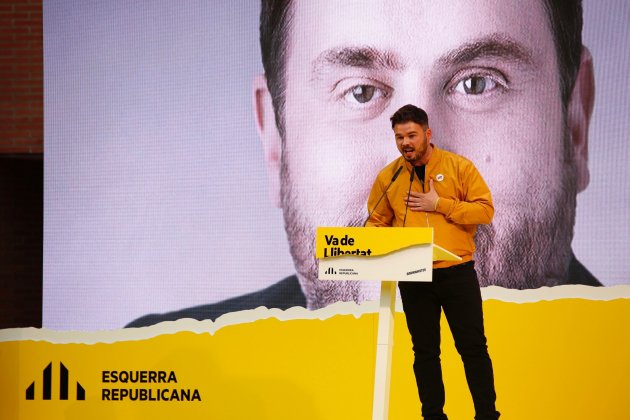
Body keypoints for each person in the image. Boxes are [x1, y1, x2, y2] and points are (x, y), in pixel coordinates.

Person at [128, 0, 599, 327]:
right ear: (276, 142)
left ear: (574, 123)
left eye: (477, 84)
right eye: (361, 92)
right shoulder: (150, 382)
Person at [366, 104, 499, 419]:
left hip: (457, 275)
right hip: (414, 277)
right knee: (425, 352)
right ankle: (433, 416)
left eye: (411, 135)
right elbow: (375, 223)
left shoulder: (458, 167)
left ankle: (487, 414)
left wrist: (440, 204)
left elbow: (485, 210)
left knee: (473, 349)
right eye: (399, 137)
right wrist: (378, 240)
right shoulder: (389, 176)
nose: (405, 143)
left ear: (427, 134)